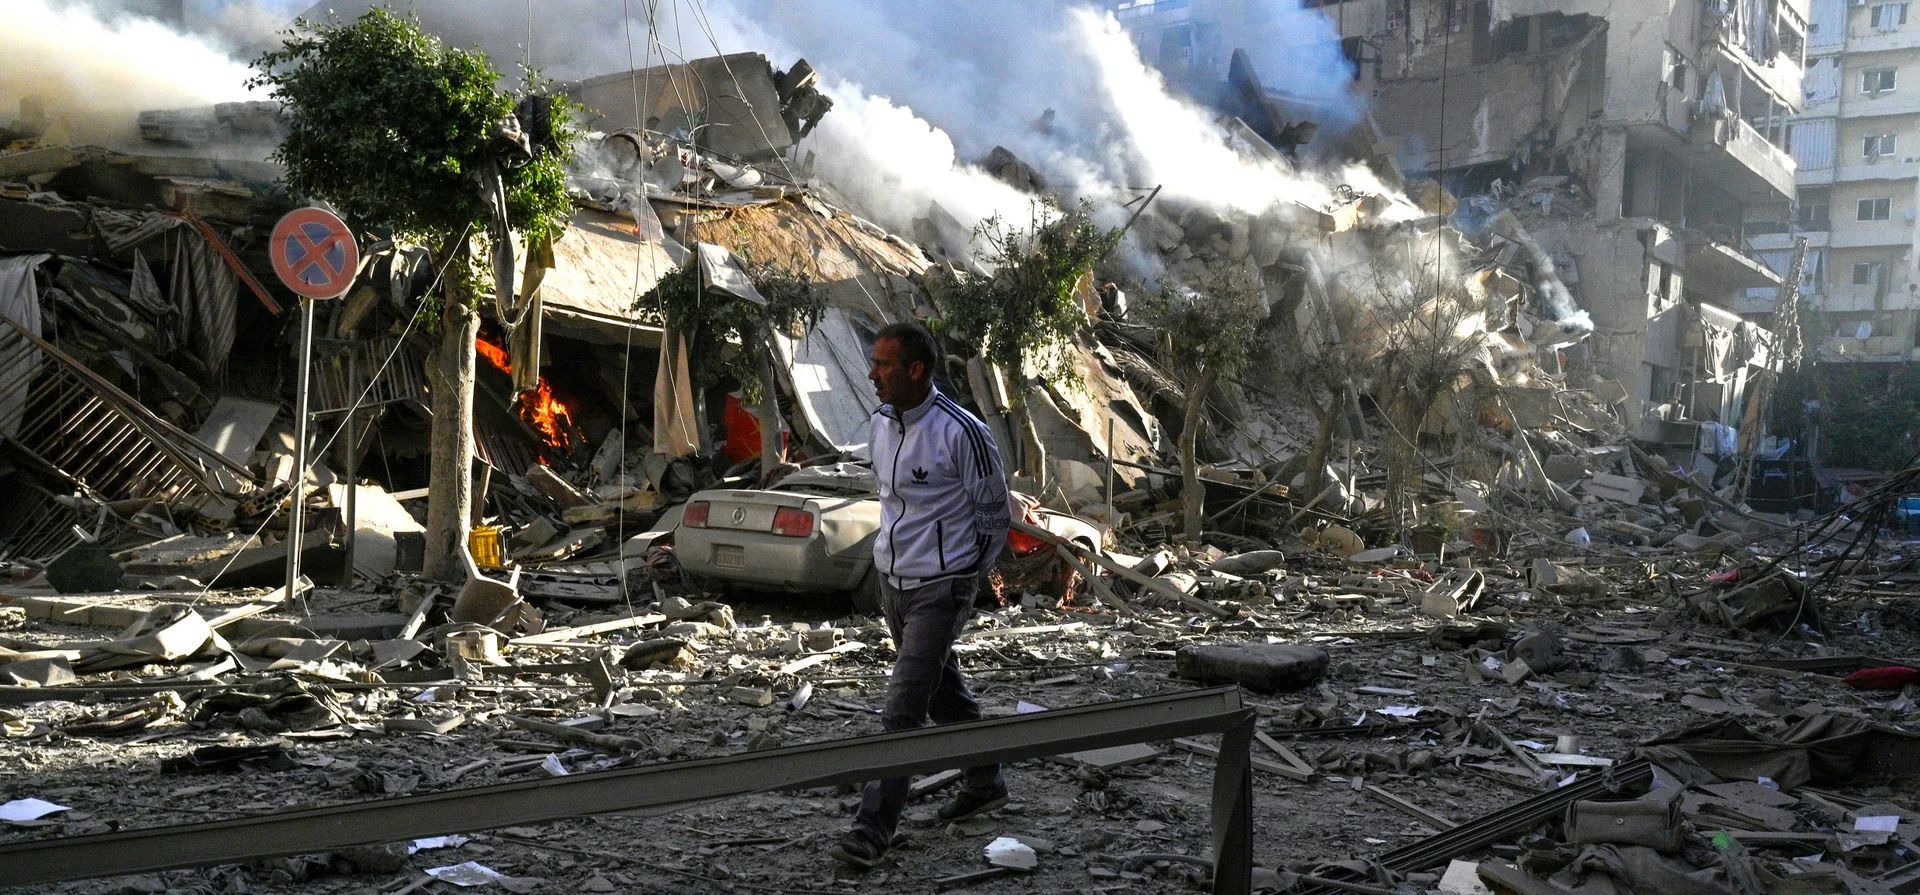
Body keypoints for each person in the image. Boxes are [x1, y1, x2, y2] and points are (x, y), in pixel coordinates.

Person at [831, 322, 1012, 870]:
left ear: (917, 370)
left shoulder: (964, 431)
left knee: (902, 710)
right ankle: (985, 780)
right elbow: (890, 500)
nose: (871, 375)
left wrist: (964, 577)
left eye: (884, 364)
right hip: (895, 582)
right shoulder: (880, 424)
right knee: (940, 692)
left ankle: (871, 830)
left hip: (943, 585)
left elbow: (994, 515)